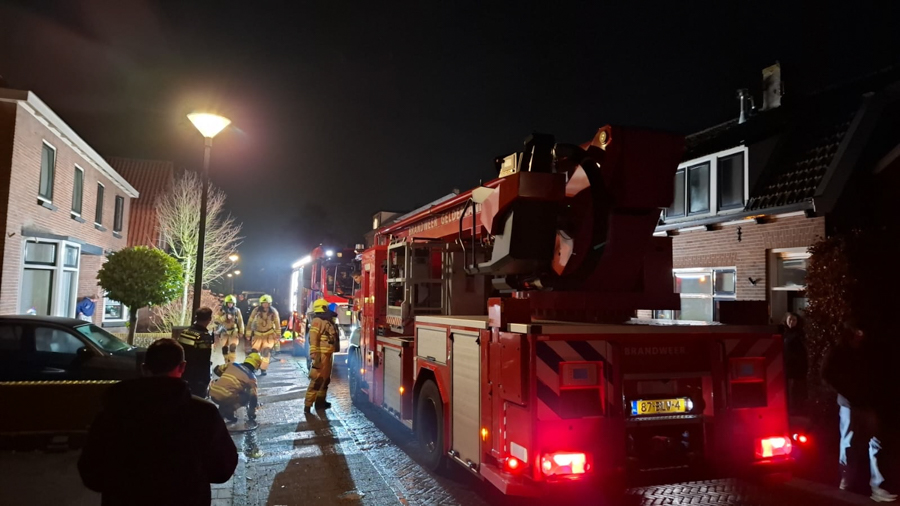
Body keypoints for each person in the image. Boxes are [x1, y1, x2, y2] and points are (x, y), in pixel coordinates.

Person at [77, 338, 237, 506]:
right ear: (182, 367)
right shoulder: (203, 413)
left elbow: (92, 474)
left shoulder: (112, 412)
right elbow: (222, 470)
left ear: (144, 368)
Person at [823, 319, 895, 502]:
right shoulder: (840, 351)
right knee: (850, 445)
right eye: (857, 331)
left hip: (867, 403)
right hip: (850, 405)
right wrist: (847, 391)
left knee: (875, 442)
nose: (860, 334)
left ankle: (877, 486)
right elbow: (827, 373)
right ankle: (846, 485)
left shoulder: (865, 350)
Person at [304, 298, 339, 413]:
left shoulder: (326, 320)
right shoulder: (317, 321)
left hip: (327, 353)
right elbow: (313, 337)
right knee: (317, 379)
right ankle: (308, 405)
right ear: (322, 308)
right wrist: (313, 353)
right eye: (326, 307)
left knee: (325, 379)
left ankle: (320, 403)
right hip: (321, 354)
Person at [211, 352, 261, 424]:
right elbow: (253, 397)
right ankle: (228, 411)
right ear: (257, 365)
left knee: (229, 390)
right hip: (225, 396)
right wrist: (251, 412)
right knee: (246, 395)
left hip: (213, 392)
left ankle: (226, 413)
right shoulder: (252, 378)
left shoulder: (233, 364)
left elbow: (217, 370)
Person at [179, 307, 215, 397]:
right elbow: (204, 360)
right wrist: (206, 380)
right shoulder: (203, 337)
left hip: (183, 372)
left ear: (196, 318)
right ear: (209, 319)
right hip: (196, 378)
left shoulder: (185, 332)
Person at [245, 294, 280, 376]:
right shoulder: (256, 311)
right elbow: (250, 322)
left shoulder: (273, 312)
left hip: (269, 335)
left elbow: (277, 323)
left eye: (266, 303)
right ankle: (253, 367)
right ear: (261, 303)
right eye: (263, 303)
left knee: (266, 352)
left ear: (269, 303)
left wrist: (278, 334)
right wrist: (248, 334)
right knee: (255, 352)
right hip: (257, 335)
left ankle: (263, 369)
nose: (265, 305)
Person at [781, 312, 808, 413]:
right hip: (787, 368)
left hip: (796, 369)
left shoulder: (799, 334)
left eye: (794, 320)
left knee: (795, 393)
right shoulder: (783, 333)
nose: (792, 322)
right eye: (790, 319)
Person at [215, 295, 245, 366]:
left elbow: (240, 321)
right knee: (224, 348)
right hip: (224, 331)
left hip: (233, 331)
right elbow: (216, 320)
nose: (230, 304)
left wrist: (241, 332)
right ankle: (226, 361)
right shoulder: (221, 310)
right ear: (226, 303)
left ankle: (232, 363)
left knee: (233, 347)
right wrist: (225, 317)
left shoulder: (237, 311)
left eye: (231, 303)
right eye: (229, 303)